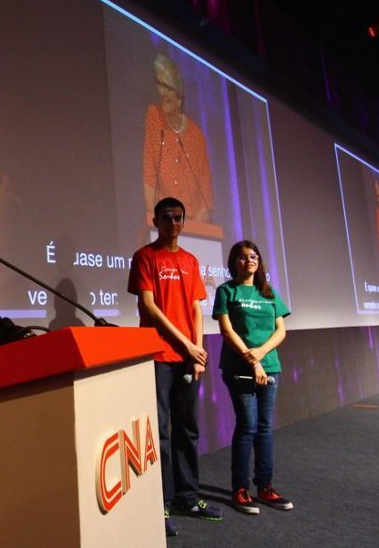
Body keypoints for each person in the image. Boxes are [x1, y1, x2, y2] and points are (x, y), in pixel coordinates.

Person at [128, 197, 223, 537]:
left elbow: (197, 309)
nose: (173, 222)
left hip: (187, 356)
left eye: (178, 217)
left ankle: (188, 497)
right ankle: (162, 503)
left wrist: (196, 349)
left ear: (183, 222)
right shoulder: (145, 257)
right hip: (158, 357)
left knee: (189, 429)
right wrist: (186, 345)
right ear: (155, 220)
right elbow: (149, 308)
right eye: (166, 217)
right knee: (163, 432)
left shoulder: (190, 260)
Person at [213, 240, 292, 515]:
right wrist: (251, 359)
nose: (250, 260)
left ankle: (265, 487)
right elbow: (226, 330)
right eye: (244, 257)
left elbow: (281, 331)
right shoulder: (226, 291)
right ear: (235, 261)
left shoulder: (269, 293)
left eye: (254, 256)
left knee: (265, 426)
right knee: (247, 426)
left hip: (270, 366)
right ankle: (240, 488)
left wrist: (261, 354)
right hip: (239, 368)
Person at [143, 54, 214, 228]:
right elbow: (149, 175)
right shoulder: (154, 116)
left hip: (193, 225)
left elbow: (206, 197)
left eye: (167, 87)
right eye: (159, 85)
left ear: (180, 94)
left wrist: (191, 228)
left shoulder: (196, 134)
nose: (161, 92)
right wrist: (157, 221)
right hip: (163, 222)